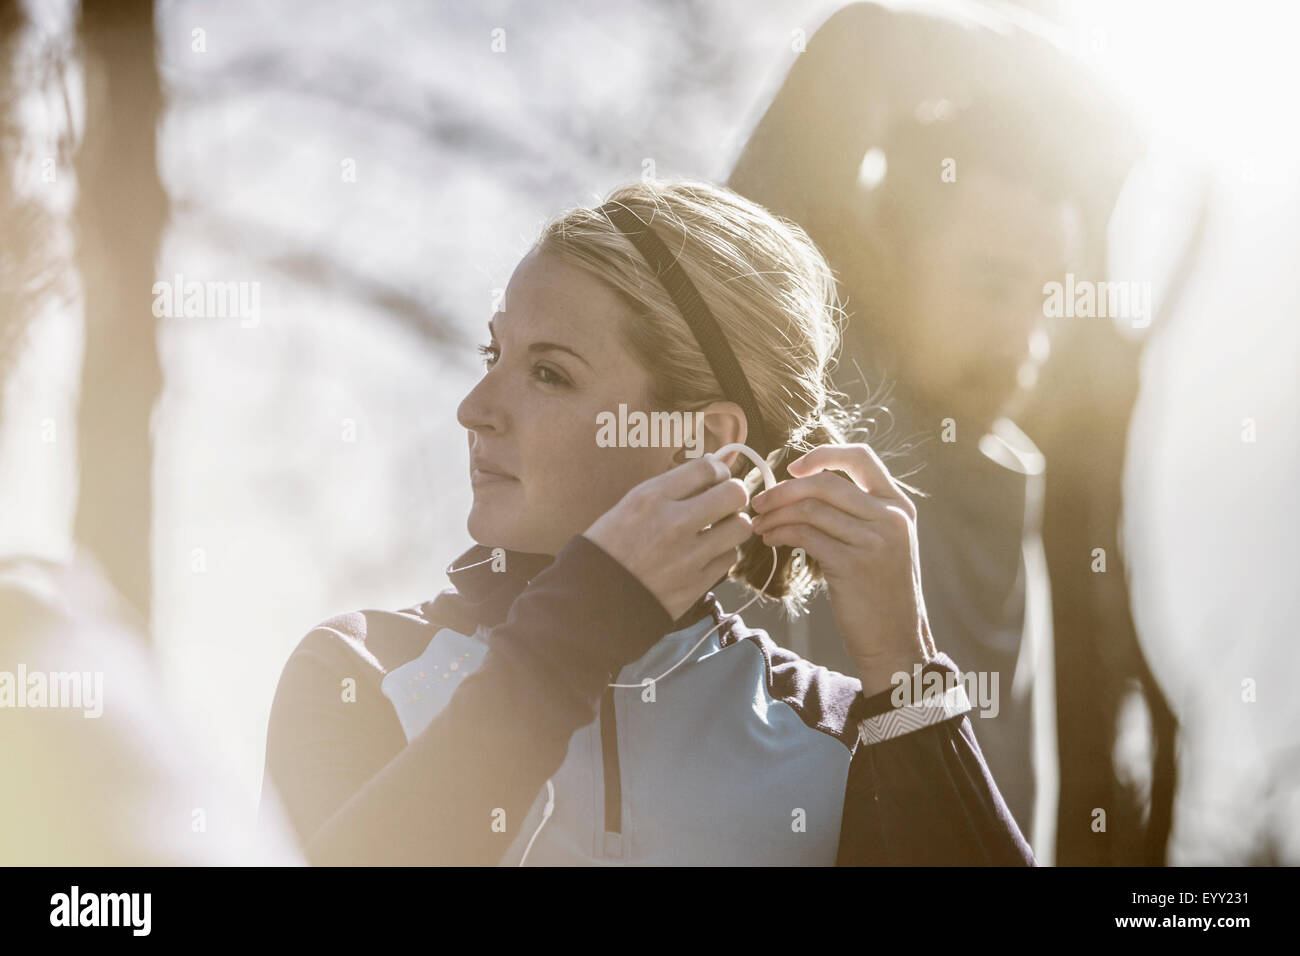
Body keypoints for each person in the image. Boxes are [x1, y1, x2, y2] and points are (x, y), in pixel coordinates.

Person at [260, 178, 1034, 866]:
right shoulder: (361, 672)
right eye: (490, 354)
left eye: (548, 372)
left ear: (698, 442)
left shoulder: (837, 740)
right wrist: (573, 635)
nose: (474, 409)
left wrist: (909, 680)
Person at [724, 0, 1142, 855]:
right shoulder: (809, 401)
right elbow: (858, 46)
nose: (1023, 339)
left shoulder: (1010, 493)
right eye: (992, 283)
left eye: (1041, 296)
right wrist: (1074, 89)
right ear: (882, 258)